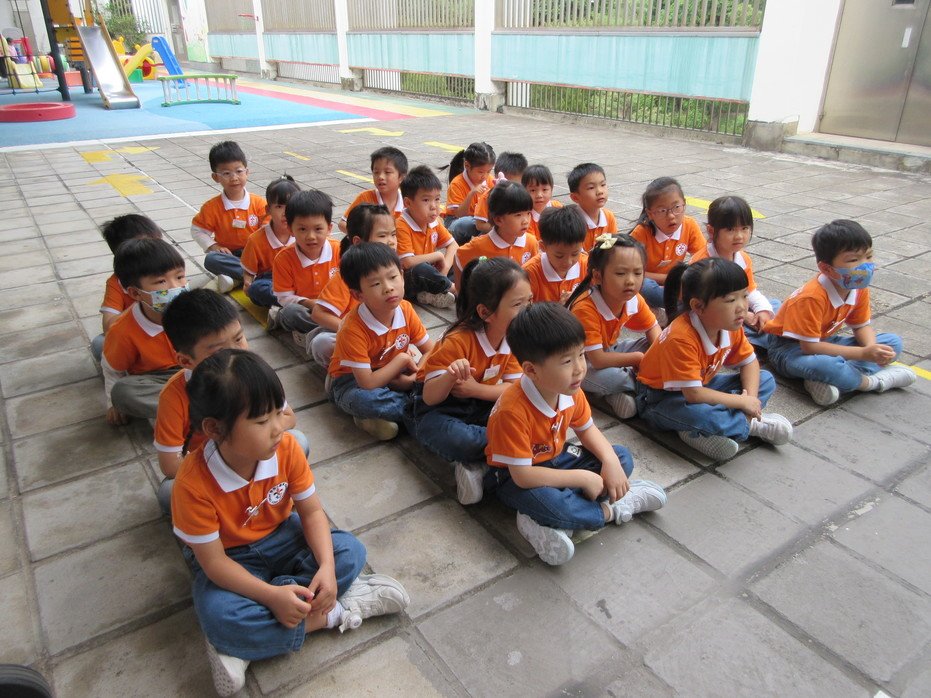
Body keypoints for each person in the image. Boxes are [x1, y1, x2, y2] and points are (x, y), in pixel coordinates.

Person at [171, 349, 409, 696]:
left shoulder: (287, 449)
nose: (278, 428)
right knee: (219, 613)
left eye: (278, 412)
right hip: (233, 560)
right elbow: (215, 563)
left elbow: (311, 512)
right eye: (261, 421)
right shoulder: (192, 484)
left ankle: (249, 641)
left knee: (349, 551)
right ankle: (332, 612)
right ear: (215, 429)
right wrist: (271, 595)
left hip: (284, 537)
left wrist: (326, 567)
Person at [484, 302, 667, 566]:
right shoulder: (512, 411)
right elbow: (523, 476)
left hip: (557, 459)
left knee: (620, 457)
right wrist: (582, 478)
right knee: (554, 504)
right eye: (567, 361)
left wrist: (610, 461)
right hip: (515, 478)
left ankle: (546, 520)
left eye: (581, 354)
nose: (580, 367)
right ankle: (610, 509)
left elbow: (587, 429)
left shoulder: (570, 390)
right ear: (531, 370)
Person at [156, 289, 309, 514]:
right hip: (210, 470)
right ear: (186, 361)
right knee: (169, 493)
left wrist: (256, 436)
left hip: (256, 452)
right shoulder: (173, 397)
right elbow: (170, 464)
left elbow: (288, 417)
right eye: (220, 351)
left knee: (298, 441)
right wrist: (223, 467)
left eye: (239, 339)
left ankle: (263, 496)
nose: (236, 354)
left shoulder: (252, 372)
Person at [635, 258, 793, 460]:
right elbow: (694, 395)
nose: (742, 307)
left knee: (765, 379)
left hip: (701, 385)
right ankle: (749, 425)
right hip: (659, 398)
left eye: (744, 296)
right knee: (702, 415)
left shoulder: (729, 325)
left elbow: (750, 362)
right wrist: (741, 401)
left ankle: (712, 427)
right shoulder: (681, 337)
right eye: (730, 300)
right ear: (698, 306)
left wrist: (750, 400)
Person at [406, 257, 530, 505]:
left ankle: (482, 464)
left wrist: (476, 389)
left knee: (526, 416)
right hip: (437, 410)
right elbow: (430, 397)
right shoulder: (458, 341)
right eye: (518, 304)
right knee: (461, 439)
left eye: (530, 301)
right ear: (485, 312)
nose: (527, 310)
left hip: (479, 403)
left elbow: (513, 388)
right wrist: (450, 376)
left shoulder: (513, 339)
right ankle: (501, 454)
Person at [762, 219, 915, 405]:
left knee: (892, 343)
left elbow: (861, 326)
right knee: (825, 365)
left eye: (868, 256)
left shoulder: (857, 287)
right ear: (827, 268)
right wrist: (864, 355)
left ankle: (826, 379)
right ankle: (872, 382)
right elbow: (809, 348)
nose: (865, 265)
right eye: (854, 260)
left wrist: (871, 349)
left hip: (824, 341)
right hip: (789, 349)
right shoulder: (811, 297)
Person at [327, 243, 434, 441]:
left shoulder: (405, 309)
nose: (388, 288)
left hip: (392, 373)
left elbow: (431, 351)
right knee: (363, 400)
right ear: (358, 295)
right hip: (352, 381)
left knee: (438, 373)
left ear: (402, 275)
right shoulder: (353, 328)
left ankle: (388, 416)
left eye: (393, 277)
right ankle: (414, 409)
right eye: (376, 284)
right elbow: (367, 383)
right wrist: (402, 361)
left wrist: (415, 375)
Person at [567, 234, 660, 420]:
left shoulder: (633, 299)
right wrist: (638, 359)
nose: (630, 281)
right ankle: (646, 386)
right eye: (620, 273)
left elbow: (653, 328)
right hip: (580, 364)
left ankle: (620, 392)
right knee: (607, 376)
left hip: (610, 350)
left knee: (655, 344)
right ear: (597, 276)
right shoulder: (585, 307)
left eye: (637, 273)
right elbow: (598, 359)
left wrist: (660, 353)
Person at [101, 238, 186, 426]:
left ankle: (183, 409)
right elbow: (112, 370)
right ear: (135, 293)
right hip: (155, 380)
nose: (175, 287)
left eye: (180, 277)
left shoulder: (198, 310)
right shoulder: (123, 330)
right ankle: (188, 409)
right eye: (161, 281)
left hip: (194, 370)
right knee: (123, 392)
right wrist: (111, 403)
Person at [309, 204, 398, 369]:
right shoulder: (348, 276)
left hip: (380, 336)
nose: (391, 242)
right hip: (352, 333)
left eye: (393, 234)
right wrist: (353, 332)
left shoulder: (394, 271)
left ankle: (376, 363)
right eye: (382, 235)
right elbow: (318, 313)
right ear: (358, 242)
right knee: (322, 343)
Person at [689, 195, 776, 346]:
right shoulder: (703, 264)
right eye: (730, 230)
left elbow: (750, 291)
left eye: (744, 228)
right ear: (711, 231)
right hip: (714, 316)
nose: (739, 236)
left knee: (774, 305)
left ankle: (768, 335)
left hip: (739, 308)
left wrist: (762, 310)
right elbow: (707, 307)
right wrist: (745, 316)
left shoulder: (743, 258)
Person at [191, 141, 267, 292]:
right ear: (215, 177)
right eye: (226, 173)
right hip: (229, 256)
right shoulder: (211, 207)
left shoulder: (259, 203)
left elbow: (269, 229)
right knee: (211, 259)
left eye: (239, 171)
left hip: (254, 253)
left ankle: (237, 278)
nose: (234, 178)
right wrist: (214, 246)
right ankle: (255, 276)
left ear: (247, 172)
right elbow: (197, 230)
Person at [271, 189, 340, 353]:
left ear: (329, 228)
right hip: (308, 309)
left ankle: (323, 333)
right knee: (290, 313)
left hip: (338, 308)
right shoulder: (283, 259)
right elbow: (284, 297)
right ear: (290, 229)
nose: (310, 236)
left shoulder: (340, 251)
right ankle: (334, 331)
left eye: (318, 229)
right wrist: (309, 303)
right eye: (302, 229)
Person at [92, 214, 164, 361]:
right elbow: (109, 326)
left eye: (159, 244)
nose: (157, 252)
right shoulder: (116, 283)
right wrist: (143, 306)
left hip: (169, 333)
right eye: (146, 248)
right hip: (138, 337)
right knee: (99, 344)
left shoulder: (169, 271)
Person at [629, 176, 706, 310]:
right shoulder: (641, 233)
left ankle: (683, 303)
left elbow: (703, 258)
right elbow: (631, 271)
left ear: (684, 204)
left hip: (675, 283)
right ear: (650, 214)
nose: (671, 216)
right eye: (662, 211)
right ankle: (683, 305)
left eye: (676, 207)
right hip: (650, 282)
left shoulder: (689, 225)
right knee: (644, 286)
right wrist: (668, 278)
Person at [395, 165, 458, 309]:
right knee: (421, 270)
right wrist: (438, 255)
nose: (434, 206)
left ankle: (432, 293)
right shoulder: (401, 224)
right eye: (426, 200)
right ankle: (454, 289)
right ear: (408, 203)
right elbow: (407, 262)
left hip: (431, 273)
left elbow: (453, 245)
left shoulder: (433, 222)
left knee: (459, 260)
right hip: (408, 279)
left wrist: (445, 268)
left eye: (437, 199)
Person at [454, 181, 539, 287]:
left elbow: (535, 273)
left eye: (528, 213)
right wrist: (461, 291)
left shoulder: (531, 242)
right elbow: (458, 257)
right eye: (518, 215)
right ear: (498, 220)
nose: (526, 221)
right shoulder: (479, 245)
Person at [240, 176, 299, 309]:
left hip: (299, 278)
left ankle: (291, 305)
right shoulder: (256, 239)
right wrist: (247, 282)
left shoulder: (303, 234)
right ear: (268, 210)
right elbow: (248, 271)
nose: (285, 213)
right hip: (271, 280)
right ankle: (297, 303)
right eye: (279, 206)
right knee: (256, 288)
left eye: (290, 207)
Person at [522, 204, 588, 303]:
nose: (568, 262)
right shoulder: (529, 274)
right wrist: (559, 309)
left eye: (575, 254)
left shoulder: (587, 266)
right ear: (543, 247)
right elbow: (523, 310)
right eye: (559, 256)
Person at [337, 146, 409, 233]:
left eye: (387, 172)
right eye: (376, 172)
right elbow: (343, 223)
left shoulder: (408, 202)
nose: (381, 177)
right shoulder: (365, 198)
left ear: (401, 177)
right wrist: (365, 237)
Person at [442, 142, 496, 244]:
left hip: (480, 220)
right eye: (480, 172)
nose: (484, 176)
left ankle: (481, 244)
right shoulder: (457, 184)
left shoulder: (489, 180)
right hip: (455, 221)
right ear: (467, 165)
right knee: (467, 222)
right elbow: (459, 214)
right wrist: (471, 194)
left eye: (488, 171)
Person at [566, 162, 617, 252]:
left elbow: (611, 249)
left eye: (603, 185)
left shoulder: (609, 217)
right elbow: (573, 256)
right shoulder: (570, 222)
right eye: (591, 187)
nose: (600, 191)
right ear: (575, 197)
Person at [474, 151, 528, 234]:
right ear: (497, 178)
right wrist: (504, 228)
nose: (513, 189)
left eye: (517, 185)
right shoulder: (487, 197)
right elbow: (480, 225)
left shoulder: (526, 197)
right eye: (507, 183)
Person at [522, 164, 563, 240]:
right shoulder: (525, 217)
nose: (539, 195)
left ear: (551, 189)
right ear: (524, 191)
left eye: (544, 190)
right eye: (533, 190)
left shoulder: (557, 206)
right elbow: (532, 243)